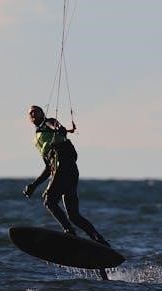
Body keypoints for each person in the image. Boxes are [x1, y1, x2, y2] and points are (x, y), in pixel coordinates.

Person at [24, 105, 109, 246]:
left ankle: (69, 232)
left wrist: (59, 128)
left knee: (49, 200)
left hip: (64, 167)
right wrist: (34, 185)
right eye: (30, 113)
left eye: (36, 111)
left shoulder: (48, 122)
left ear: (42, 113)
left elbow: (55, 125)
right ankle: (100, 241)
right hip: (68, 171)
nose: (33, 114)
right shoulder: (39, 138)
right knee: (74, 216)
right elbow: (48, 168)